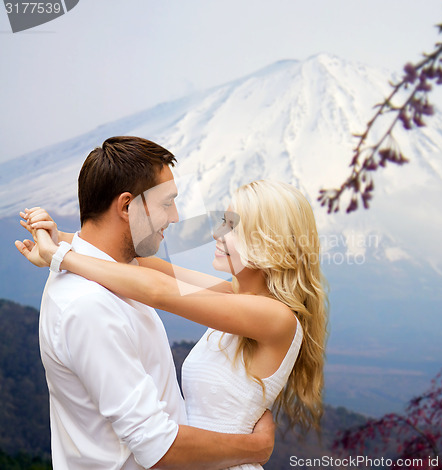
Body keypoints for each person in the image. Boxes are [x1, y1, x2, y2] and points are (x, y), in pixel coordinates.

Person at [21, 179, 329, 463]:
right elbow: (149, 265)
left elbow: (159, 291)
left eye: (232, 226)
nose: (216, 233)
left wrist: (59, 256)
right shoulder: (234, 296)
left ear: (268, 242)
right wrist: (58, 238)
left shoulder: (275, 317)